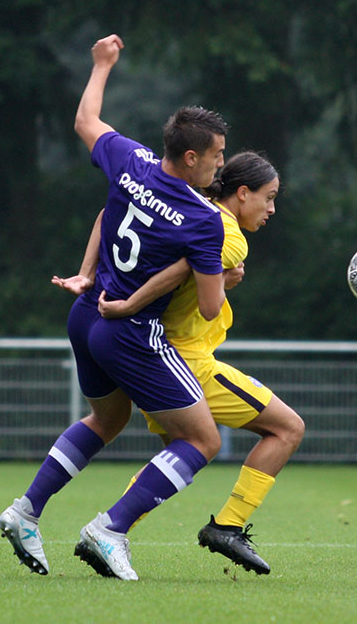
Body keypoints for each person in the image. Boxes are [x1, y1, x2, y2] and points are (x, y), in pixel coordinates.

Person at [0, 33, 228, 581]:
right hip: (128, 331)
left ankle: (26, 511)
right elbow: (213, 305)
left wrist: (101, 65)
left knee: (108, 417)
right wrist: (203, 270)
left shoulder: (132, 160)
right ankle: (111, 528)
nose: (219, 167)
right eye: (216, 157)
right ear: (191, 156)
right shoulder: (203, 219)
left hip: (85, 312)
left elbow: (86, 122)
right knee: (202, 439)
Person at [85, 151, 305, 575]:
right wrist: (212, 282)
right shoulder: (230, 234)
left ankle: (109, 530)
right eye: (269, 197)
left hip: (150, 352)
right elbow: (183, 269)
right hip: (187, 362)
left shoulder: (190, 208)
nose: (272, 208)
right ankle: (226, 526)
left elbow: (129, 231)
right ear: (242, 194)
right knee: (288, 427)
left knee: (175, 464)